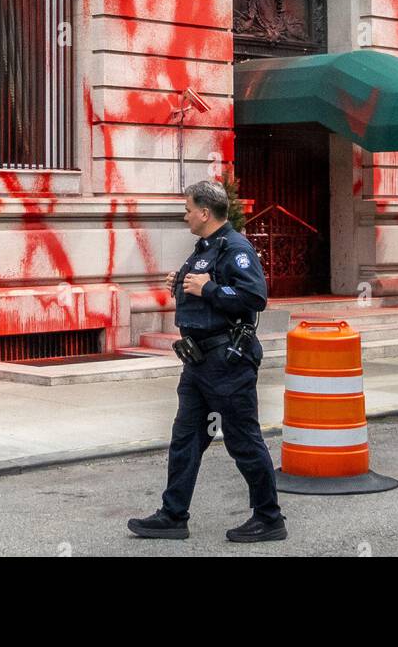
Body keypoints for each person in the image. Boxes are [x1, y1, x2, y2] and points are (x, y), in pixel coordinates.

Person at [127, 180, 287, 543]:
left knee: (243, 441)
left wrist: (208, 289)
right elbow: (204, 286)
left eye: (187, 210)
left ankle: (269, 517)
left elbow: (254, 296)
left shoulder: (236, 247)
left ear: (204, 212)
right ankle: (173, 515)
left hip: (227, 362)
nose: (185, 216)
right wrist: (182, 282)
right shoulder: (204, 249)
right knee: (185, 439)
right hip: (198, 363)